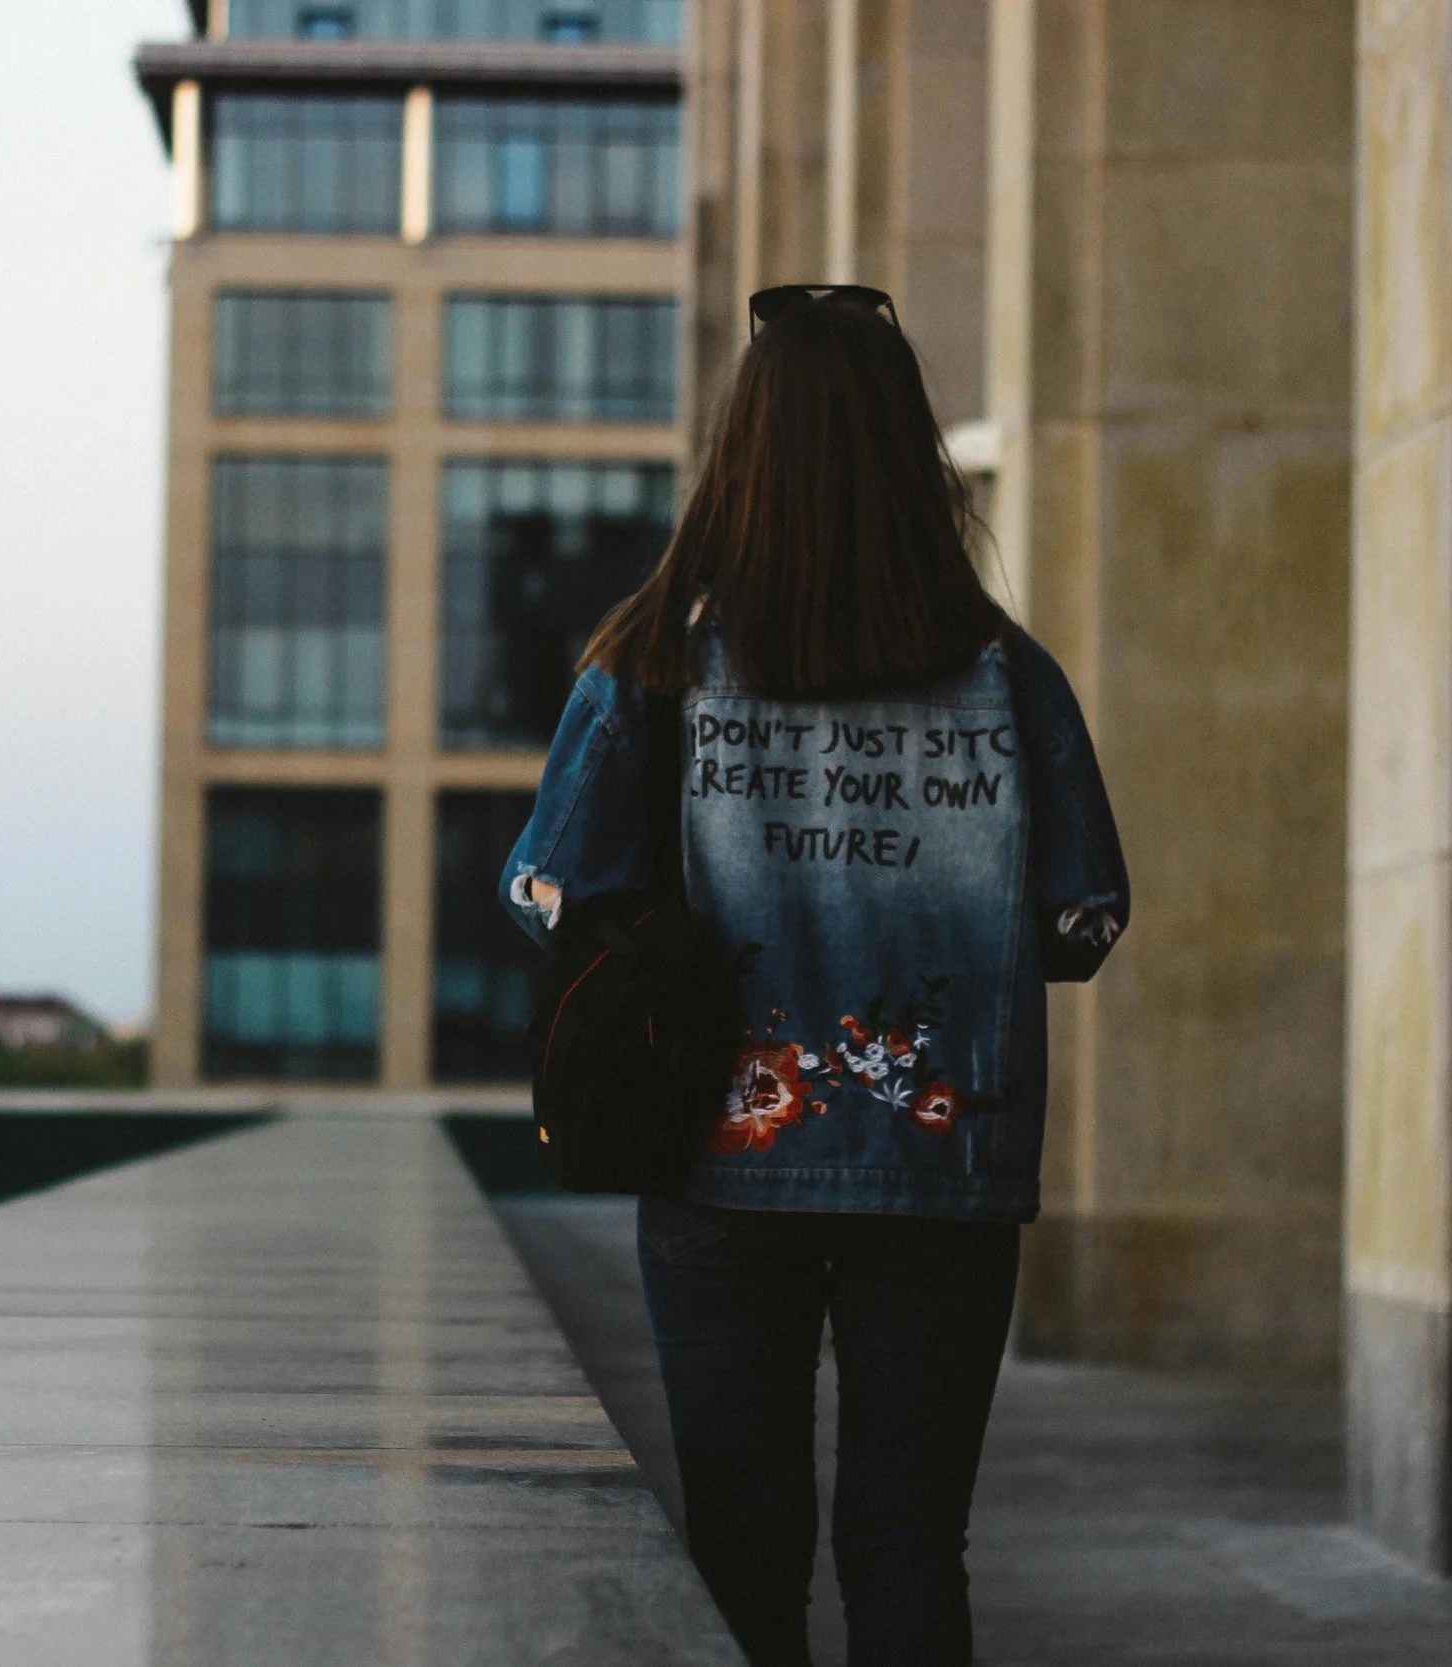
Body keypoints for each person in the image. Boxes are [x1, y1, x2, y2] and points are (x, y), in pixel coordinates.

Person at [499, 285, 1128, 1667]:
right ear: (914, 465)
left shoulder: (654, 662)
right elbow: (1084, 921)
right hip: (943, 1165)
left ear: (743, 456)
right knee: (910, 1541)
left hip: (721, 1159)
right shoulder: (1009, 680)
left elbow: (545, 891)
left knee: (739, 1538)